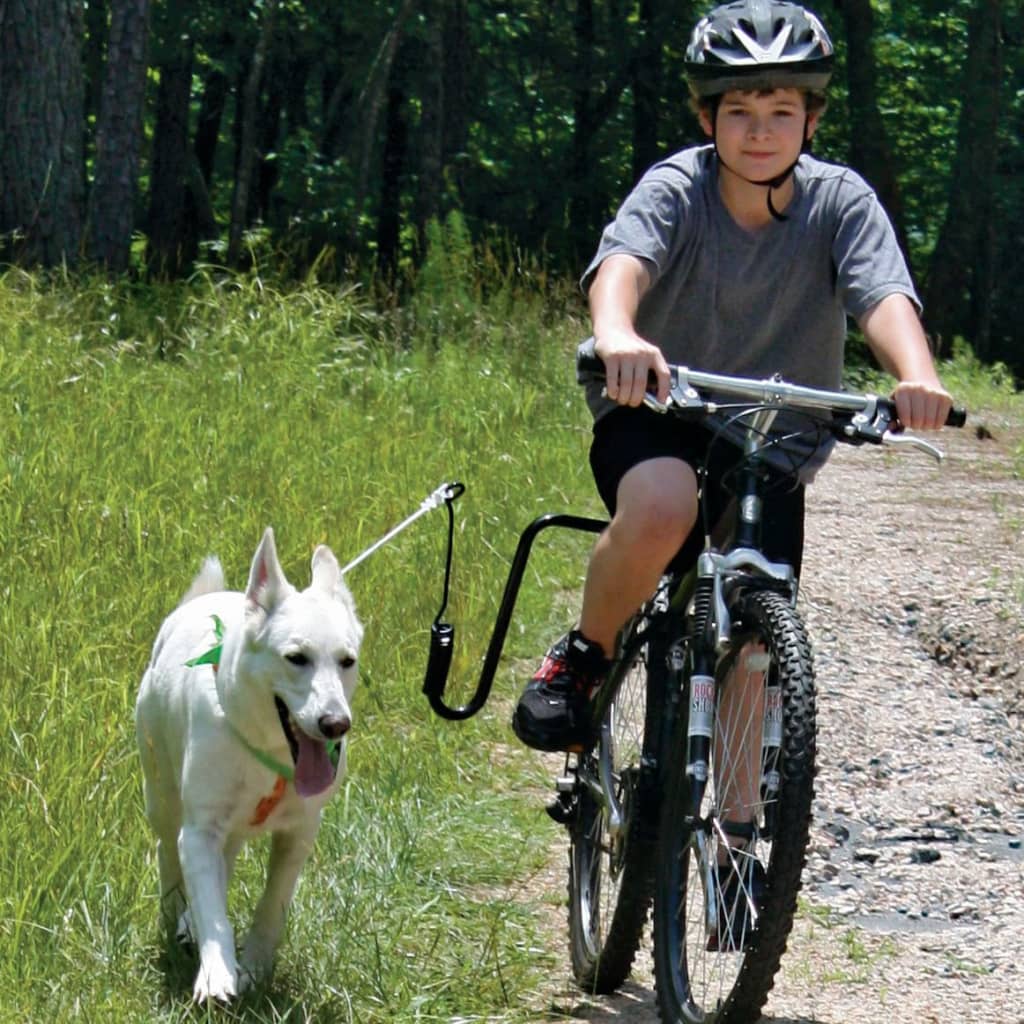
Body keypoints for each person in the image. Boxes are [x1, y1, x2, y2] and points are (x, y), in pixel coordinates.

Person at [512, 0, 952, 756]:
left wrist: (916, 375)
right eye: (739, 110)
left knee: (757, 643)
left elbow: (881, 294)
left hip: (774, 439)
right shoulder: (676, 189)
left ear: (811, 120)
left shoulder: (842, 202)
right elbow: (624, 265)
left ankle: (740, 847)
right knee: (661, 508)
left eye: (781, 111)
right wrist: (616, 333)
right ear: (707, 115)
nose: (758, 131)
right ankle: (584, 656)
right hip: (657, 408)